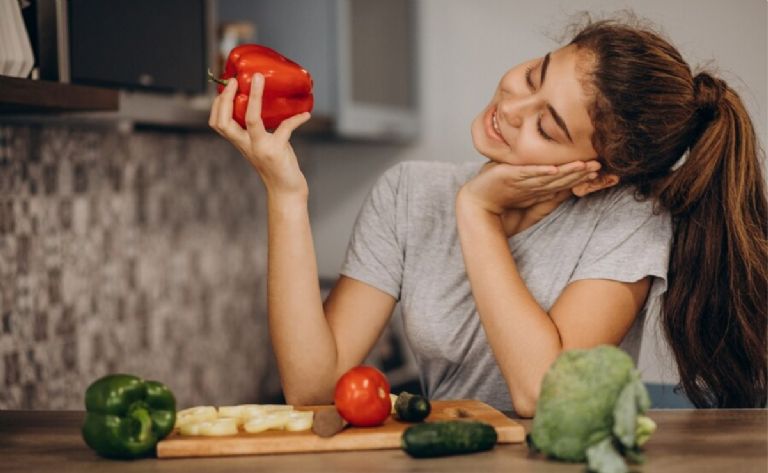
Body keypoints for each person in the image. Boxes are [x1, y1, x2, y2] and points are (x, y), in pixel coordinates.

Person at [209, 15, 767, 415]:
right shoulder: (409, 193)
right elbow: (311, 389)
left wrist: (477, 212)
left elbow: (544, 396)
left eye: (547, 127)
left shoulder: (626, 223)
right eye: (533, 76)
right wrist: (285, 193)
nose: (510, 107)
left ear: (596, 175)